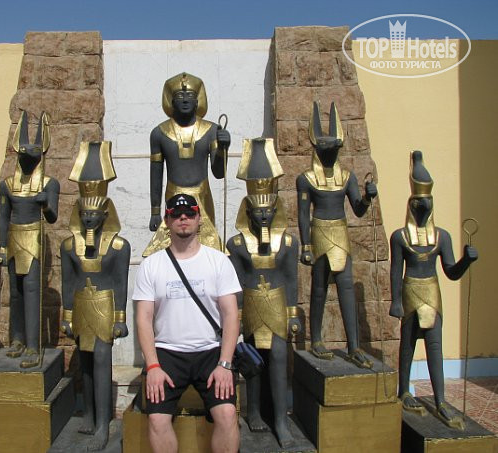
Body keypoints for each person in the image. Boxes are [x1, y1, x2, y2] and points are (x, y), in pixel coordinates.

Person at [134, 194, 241, 453]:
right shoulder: (151, 265)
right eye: (176, 214)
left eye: (190, 213)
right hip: (168, 353)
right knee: (157, 419)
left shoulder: (218, 261)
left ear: (199, 218)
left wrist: (225, 364)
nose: (183, 218)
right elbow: (144, 319)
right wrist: (153, 366)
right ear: (167, 220)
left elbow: (231, 315)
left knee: (227, 414)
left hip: (211, 351)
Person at [390, 150, 478, 429]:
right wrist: (395, 301)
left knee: (434, 345)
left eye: (427, 200)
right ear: (411, 203)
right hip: (410, 290)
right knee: (407, 344)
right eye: (419, 200)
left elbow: (450, 271)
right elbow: (395, 271)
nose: (423, 205)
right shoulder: (400, 237)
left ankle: (440, 400)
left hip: (432, 292)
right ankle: (404, 390)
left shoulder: (442, 237)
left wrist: (466, 260)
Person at [226, 138, 299, 448]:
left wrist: (293, 313)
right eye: (258, 211)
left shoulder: (289, 243)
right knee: (253, 360)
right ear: (248, 211)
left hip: (278, 305)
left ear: (276, 209)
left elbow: (291, 278)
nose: (264, 216)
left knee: (279, 357)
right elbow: (237, 282)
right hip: (253, 306)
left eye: (268, 210)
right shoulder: (236, 245)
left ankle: (280, 419)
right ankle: (253, 411)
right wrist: (237, 314)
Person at [60, 141, 130, 450]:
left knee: (101, 359)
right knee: (85, 362)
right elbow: (68, 282)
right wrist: (66, 315)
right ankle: (89, 414)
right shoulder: (68, 246)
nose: (89, 220)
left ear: (105, 214)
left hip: (104, 307)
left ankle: (104, 423)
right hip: (80, 307)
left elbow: (121, 283)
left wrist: (120, 319)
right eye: (85, 215)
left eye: (94, 215)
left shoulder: (119, 246)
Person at [297, 101, 377, 368]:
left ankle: (354, 346)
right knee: (319, 287)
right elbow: (303, 214)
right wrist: (306, 245)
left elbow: (358, 210)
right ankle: (316, 340)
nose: (331, 152)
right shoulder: (306, 179)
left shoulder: (347, 177)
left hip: (340, 233)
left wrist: (367, 197)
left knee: (346, 288)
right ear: (317, 149)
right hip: (320, 231)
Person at [0, 111, 60, 368]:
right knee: (16, 292)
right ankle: (18, 340)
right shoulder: (7, 185)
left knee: (33, 290)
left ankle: (34, 345)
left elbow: (53, 217)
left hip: (33, 237)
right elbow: (3, 217)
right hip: (14, 237)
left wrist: (45, 204)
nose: (27, 154)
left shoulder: (49, 184)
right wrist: (2, 247)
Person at [143, 72, 230, 256]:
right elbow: (156, 174)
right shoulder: (159, 133)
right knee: (169, 250)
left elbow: (218, 173)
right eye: (179, 95)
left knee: (208, 250)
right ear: (171, 101)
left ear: (198, 101)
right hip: (173, 194)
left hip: (202, 195)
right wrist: (155, 211)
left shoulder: (211, 130)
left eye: (189, 95)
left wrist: (223, 148)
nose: (184, 100)